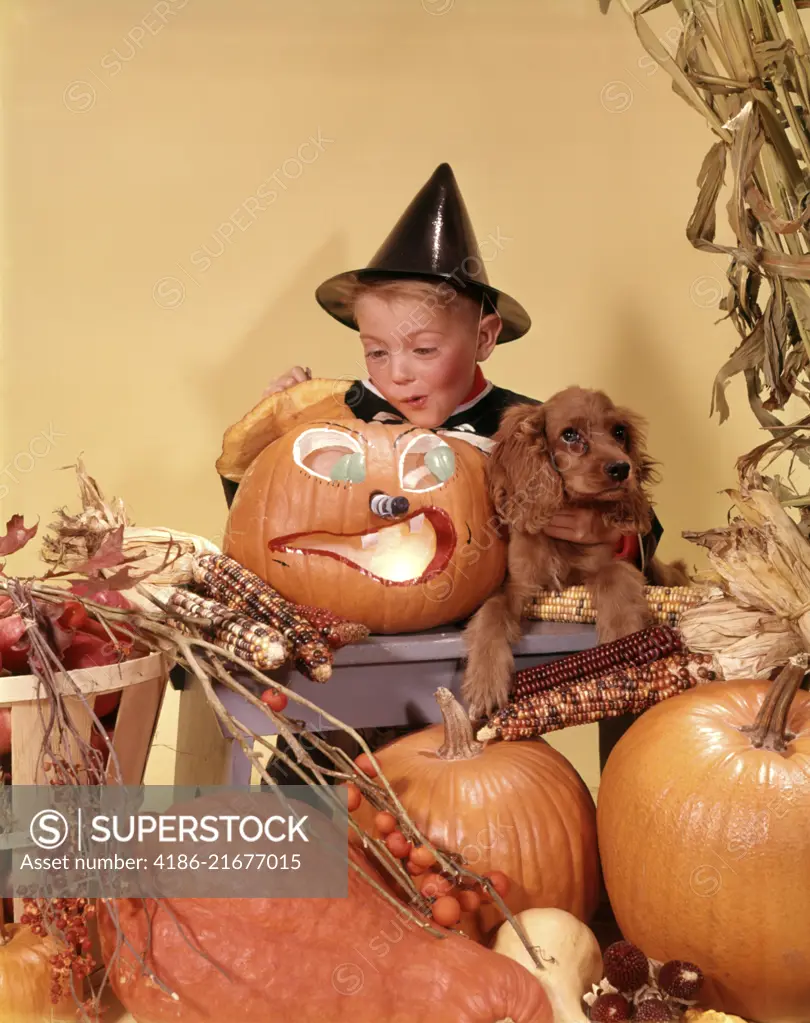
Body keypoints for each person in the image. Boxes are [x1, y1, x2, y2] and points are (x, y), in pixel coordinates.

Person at [219, 163, 664, 778]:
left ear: (484, 338)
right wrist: (274, 433)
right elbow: (266, 519)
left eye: (423, 350)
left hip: (474, 661)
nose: (397, 373)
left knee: (473, 806)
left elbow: (636, 519)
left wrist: (604, 535)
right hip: (353, 654)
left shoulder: (526, 425)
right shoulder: (345, 418)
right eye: (376, 351)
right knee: (308, 788)